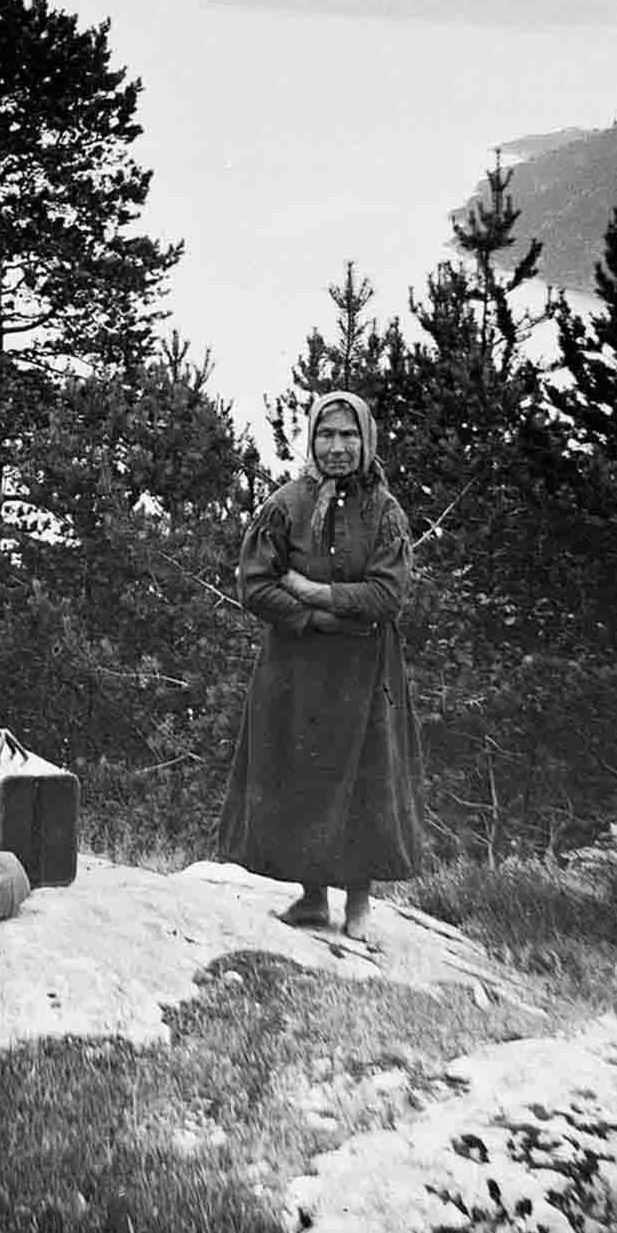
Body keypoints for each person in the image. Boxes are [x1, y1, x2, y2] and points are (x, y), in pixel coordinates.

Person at [217, 389, 424, 941]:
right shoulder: (286, 505)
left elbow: (386, 597)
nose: (337, 446)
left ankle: (358, 909)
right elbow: (256, 585)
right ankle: (311, 900)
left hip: (365, 674)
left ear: (366, 440)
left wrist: (312, 589)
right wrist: (319, 619)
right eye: (327, 435)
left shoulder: (385, 513)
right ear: (312, 439)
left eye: (348, 435)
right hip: (297, 669)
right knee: (303, 776)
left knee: (363, 781)